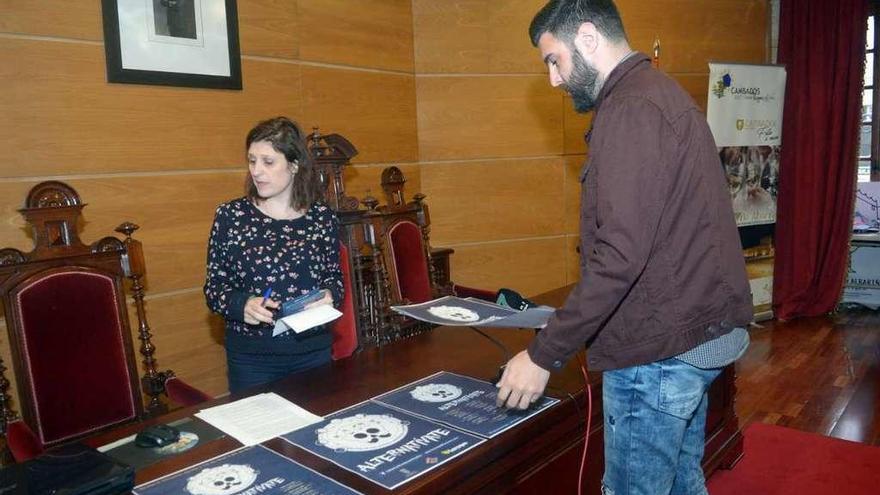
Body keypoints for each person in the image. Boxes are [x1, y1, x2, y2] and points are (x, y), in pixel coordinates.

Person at [495, 1, 753, 494]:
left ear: (587, 38)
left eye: (554, 60)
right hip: (690, 337)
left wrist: (542, 355)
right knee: (680, 481)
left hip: (657, 350)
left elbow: (619, 255)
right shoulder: (658, 93)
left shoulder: (631, 108)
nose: (554, 79)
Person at [204, 116, 343, 394]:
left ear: (293, 165)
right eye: (252, 160)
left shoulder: (322, 218)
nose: (256, 171)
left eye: (268, 162)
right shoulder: (230, 216)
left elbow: (334, 278)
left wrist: (329, 295)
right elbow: (214, 287)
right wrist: (242, 304)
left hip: (313, 353)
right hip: (253, 359)